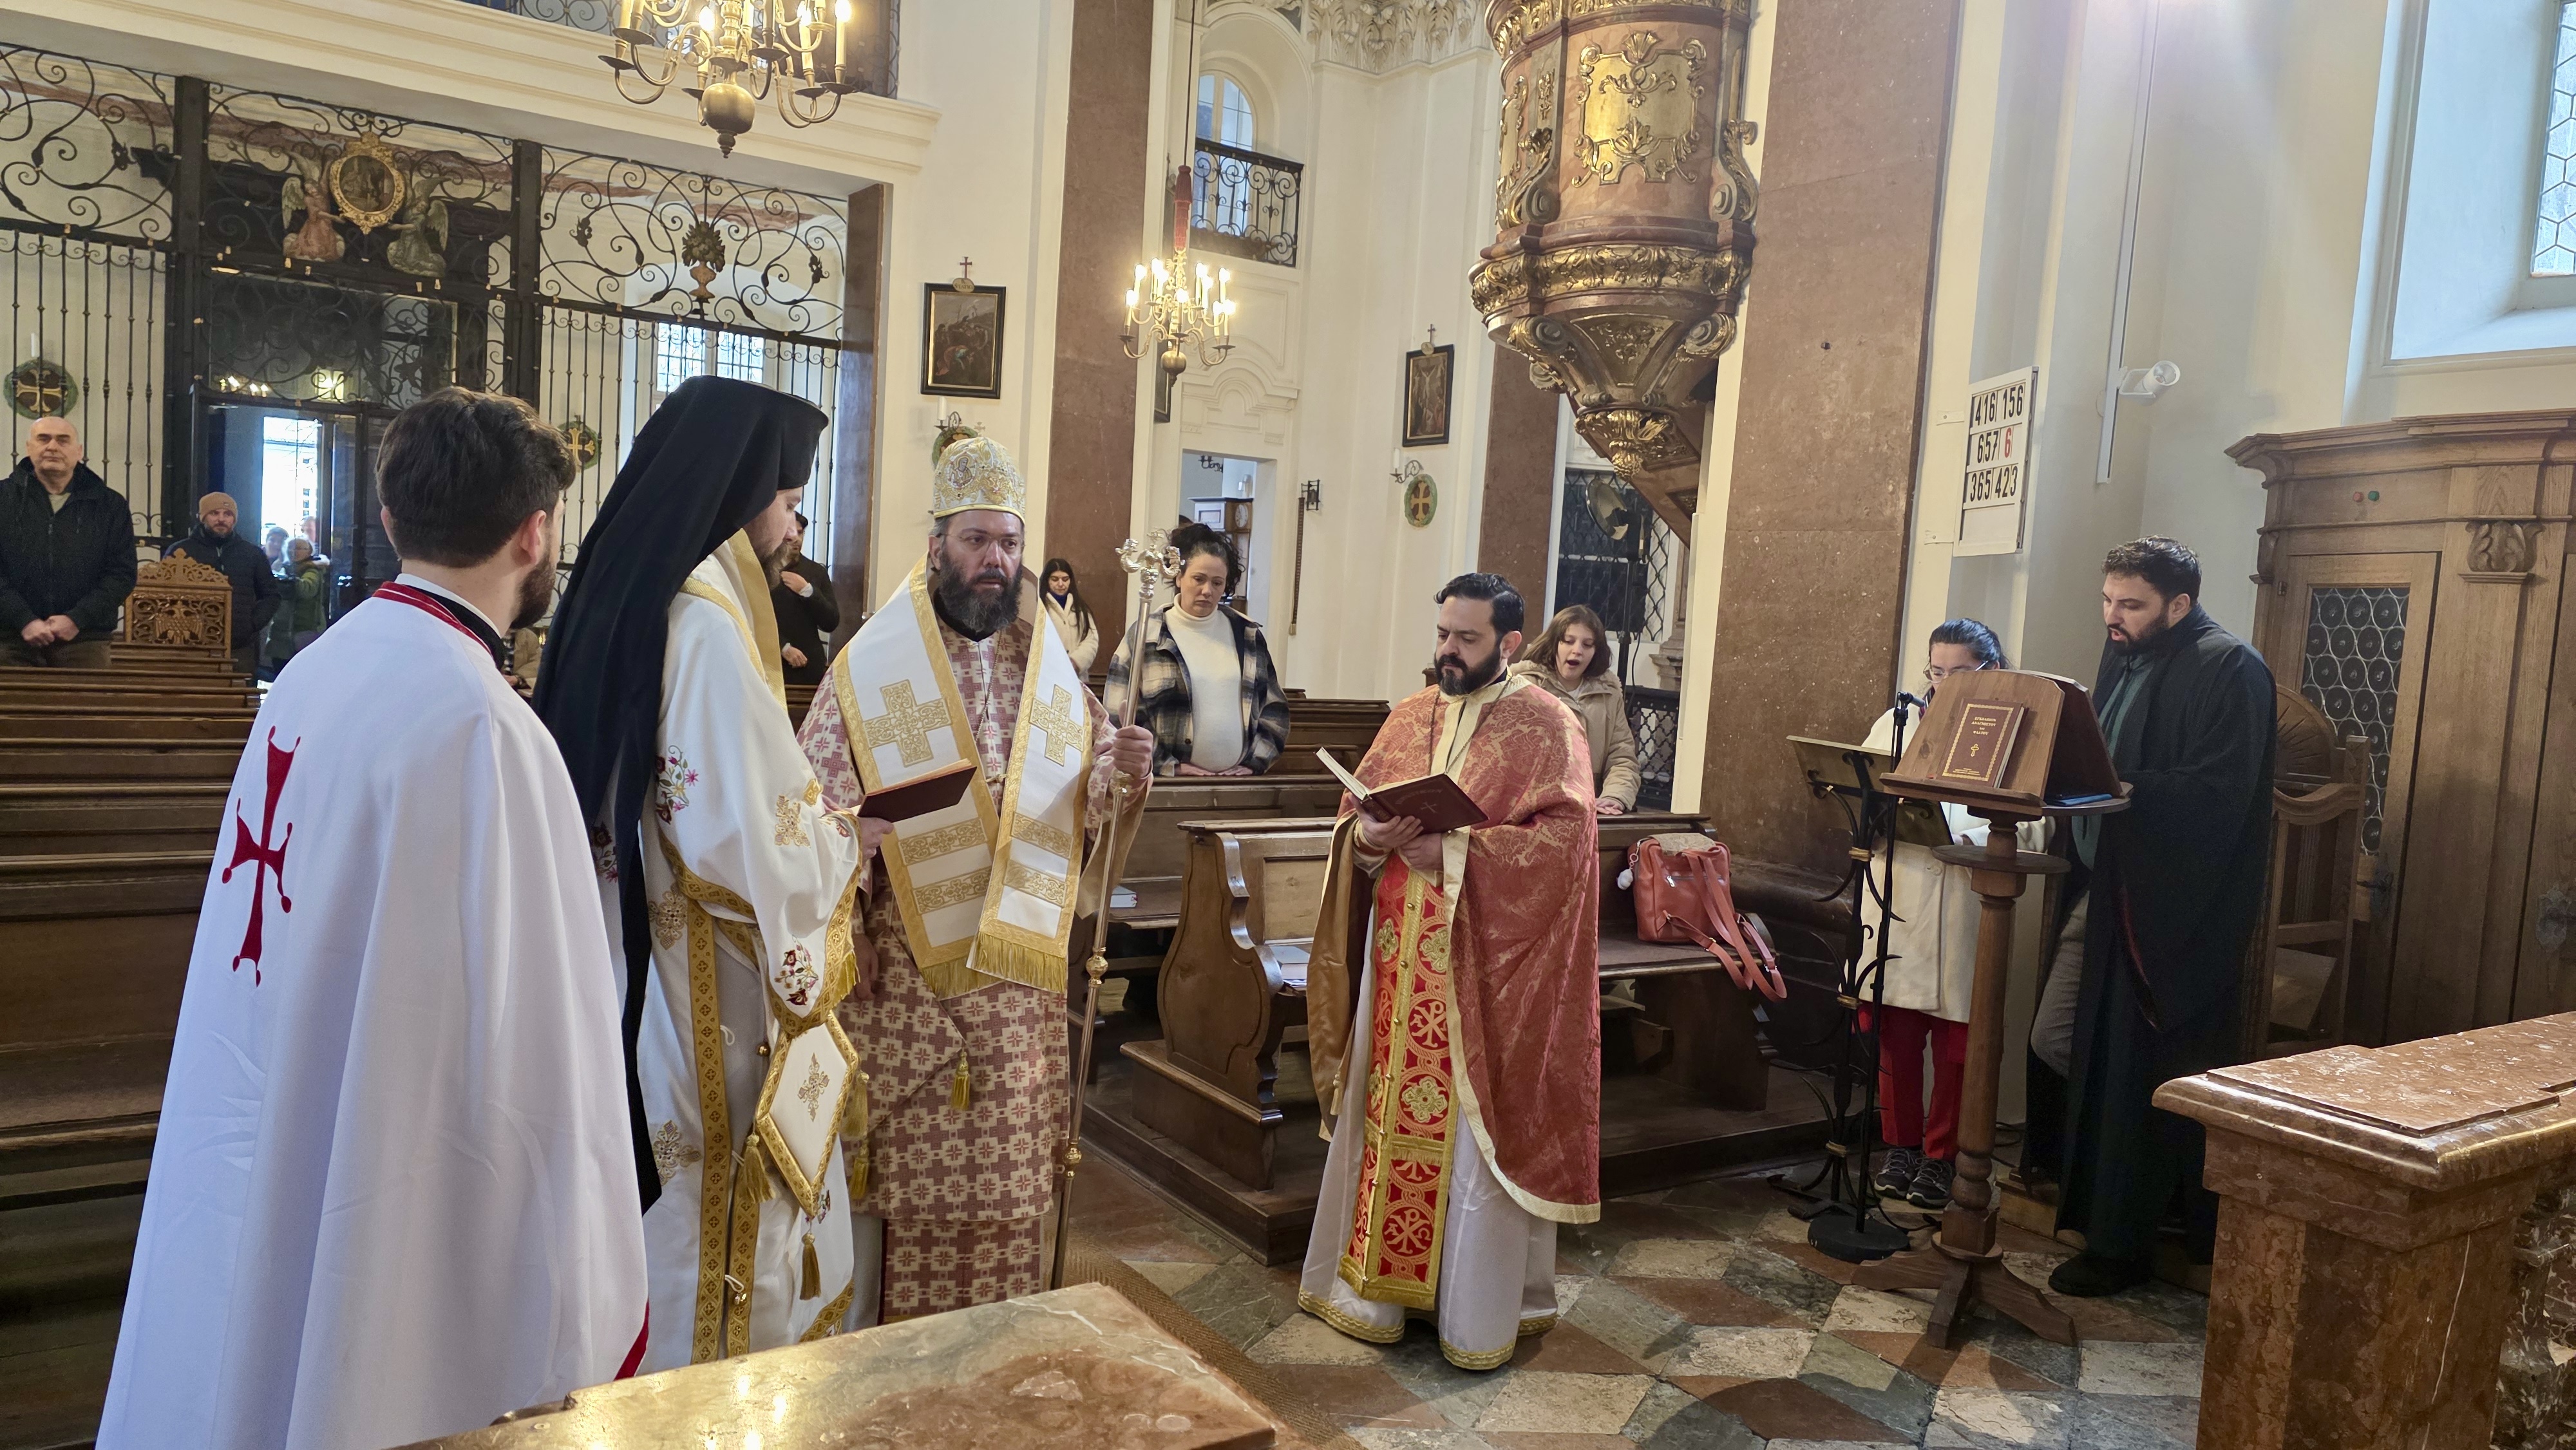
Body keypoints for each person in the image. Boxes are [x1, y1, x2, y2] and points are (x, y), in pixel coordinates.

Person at [95, 389, 645, 1450]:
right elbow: (540, 1046)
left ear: (392, 522)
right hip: (390, 1154)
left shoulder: (315, 670)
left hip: (275, 1083)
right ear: (535, 533)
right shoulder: (484, 723)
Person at [535, 377, 870, 1369]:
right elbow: (749, 844)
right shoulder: (708, 627)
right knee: (709, 1206)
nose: (795, 520)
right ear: (740, 492)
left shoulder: (641, 589)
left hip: (630, 951)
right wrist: (848, 840)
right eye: (787, 495)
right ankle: (702, 1401)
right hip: (697, 985)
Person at [797, 427, 1153, 1322]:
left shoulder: (1048, 666)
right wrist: (846, 921)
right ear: (937, 547)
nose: (996, 561)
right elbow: (817, 811)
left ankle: (998, 1359)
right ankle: (889, 1379)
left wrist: (1129, 769)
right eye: (977, 541)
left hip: (1018, 984)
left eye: (1010, 543)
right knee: (903, 1192)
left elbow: (1089, 789)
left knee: (1005, 1191)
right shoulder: (870, 665)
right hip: (909, 978)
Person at [1297, 572, 1601, 1370]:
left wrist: (1457, 849)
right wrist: (1368, 838)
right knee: (1385, 1120)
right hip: (1398, 964)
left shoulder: (1548, 725)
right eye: (1442, 634)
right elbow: (1350, 822)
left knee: (1469, 1145)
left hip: (1483, 975)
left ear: (1507, 642)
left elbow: (1567, 847)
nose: (1446, 651)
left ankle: (1469, 1306)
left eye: (1464, 639)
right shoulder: (1409, 714)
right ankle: (1376, 1291)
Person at [2031, 537, 2274, 1297]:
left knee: (2138, 1066)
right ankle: (2104, 1199)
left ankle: (2126, 1241)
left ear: (2179, 603)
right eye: (2107, 600)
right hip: (2105, 889)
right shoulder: (2123, 655)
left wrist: (2125, 787)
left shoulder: (2230, 667)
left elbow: (2217, 795)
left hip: (2171, 909)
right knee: (2064, 1040)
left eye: (2129, 604)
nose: (2113, 616)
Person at [1856, 618, 2040, 1212]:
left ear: (1991, 671)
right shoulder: (1898, 723)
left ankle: (1943, 1158)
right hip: (1901, 896)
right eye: (1936, 671)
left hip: (1967, 900)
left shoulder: (2022, 731)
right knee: (1898, 1036)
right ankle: (1900, 1147)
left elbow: (2040, 819)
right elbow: (1859, 795)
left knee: (1960, 1045)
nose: (1942, 684)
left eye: (1959, 672)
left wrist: (1959, 831)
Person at [1104, 522, 1289, 777]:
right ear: (1179, 577)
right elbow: (1119, 714)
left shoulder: (1247, 635)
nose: (1207, 591)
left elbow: (1274, 709)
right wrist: (1170, 766)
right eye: (1199, 579)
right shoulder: (1147, 635)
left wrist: (1254, 763)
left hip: (1237, 785)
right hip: (1166, 784)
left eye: (1217, 583)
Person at [1, 416, 135, 668]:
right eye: (44, 439)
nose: (52, 446)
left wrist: (76, 619)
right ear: (29, 448)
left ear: (79, 451)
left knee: (83, 709)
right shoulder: (3, 499)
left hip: (84, 641)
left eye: (63, 440)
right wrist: (24, 620)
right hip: (9, 638)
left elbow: (121, 574)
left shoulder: (109, 505)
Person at [1508, 605, 1639, 814]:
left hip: (1594, 810)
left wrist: (1614, 798)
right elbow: (1514, 758)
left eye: (1587, 644)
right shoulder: (1525, 687)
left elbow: (1622, 758)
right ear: (1554, 643)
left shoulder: (1609, 693)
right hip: (1537, 811)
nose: (1577, 650)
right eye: (1568, 641)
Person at [166, 490, 281, 680]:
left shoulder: (252, 554)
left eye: (227, 514)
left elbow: (271, 595)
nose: (221, 519)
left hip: (239, 646)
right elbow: (164, 595)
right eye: (214, 513)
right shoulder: (181, 551)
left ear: (234, 520)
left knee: (238, 700)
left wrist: (251, 624)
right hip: (191, 645)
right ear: (202, 517)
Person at [773, 510, 839, 687]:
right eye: (790, 532)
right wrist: (783, 648)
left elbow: (831, 622)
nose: (796, 539)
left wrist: (807, 590)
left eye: (800, 533)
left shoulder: (816, 572)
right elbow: (753, 618)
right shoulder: (762, 570)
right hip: (771, 665)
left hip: (808, 669)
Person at [266, 536, 328, 673]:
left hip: (305, 631)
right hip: (281, 632)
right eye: (291, 548)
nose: (294, 551)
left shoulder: (312, 570)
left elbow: (307, 590)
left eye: (299, 548)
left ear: (309, 551)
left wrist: (291, 582)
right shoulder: (280, 567)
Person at [1040, 554, 1099, 675]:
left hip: (1076, 676)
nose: (1061, 584)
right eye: (1055, 579)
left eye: (1065, 579)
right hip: (1047, 674)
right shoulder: (1039, 607)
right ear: (1047, 580)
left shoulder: (1081, 609)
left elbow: (1091, 640)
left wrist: (1075, 662)